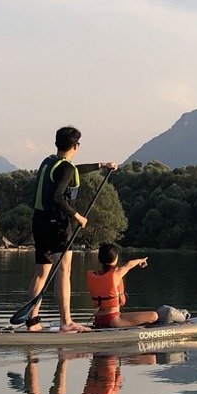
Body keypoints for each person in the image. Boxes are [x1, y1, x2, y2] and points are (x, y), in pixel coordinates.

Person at [26, 126, 119, 332]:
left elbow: (73, 170)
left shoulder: (49, 162)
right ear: (76, 145)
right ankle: (66, 322)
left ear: (57, 143)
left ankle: (32, 322)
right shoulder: (66, 168)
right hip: (57, 225)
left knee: (41, 273)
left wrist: (101, 165)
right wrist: (77, 216)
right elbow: (58, 197)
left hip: (39, 222)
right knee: (64, 270)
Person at [85, 243, 159, 328]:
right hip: (113, 319)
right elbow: (129, 264)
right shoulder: (116, 274)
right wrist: (141, 260)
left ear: (100, 258)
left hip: (98, 318)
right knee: (154, 315)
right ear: (116, 258)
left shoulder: (95, 275)